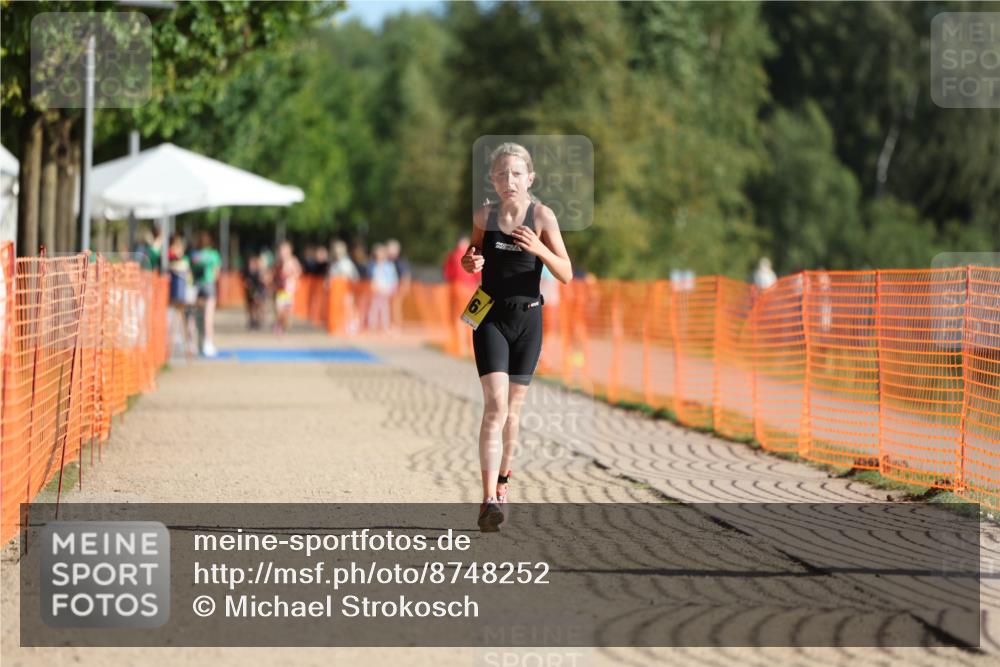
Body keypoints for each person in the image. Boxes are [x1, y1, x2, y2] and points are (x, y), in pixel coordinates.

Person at [462, 142, 572, 531]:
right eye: (502, 173)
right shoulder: (484, 215)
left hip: (528, 321)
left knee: (513, 413)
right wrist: (470, 260)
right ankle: (488, 498)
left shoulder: (542, 215)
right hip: (489, 316)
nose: (509, 180)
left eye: (516, 173)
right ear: (492, 179)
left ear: (530, 178)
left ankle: (503, 482)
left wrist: (539, 247)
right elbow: (471, 256)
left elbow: (566, 272)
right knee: (494, 407)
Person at [191, 231, 222, 357]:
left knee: (193, 316)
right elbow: (216, 273)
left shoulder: (195, 255)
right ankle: (208, 344)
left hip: (196, 286)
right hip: (209, 285)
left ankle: (191, 342)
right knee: (208, 317)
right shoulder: (214, 255)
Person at [167, 234, 197, 360]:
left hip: (184, 294)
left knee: (187, 319)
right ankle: (182, 346)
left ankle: (190, 345)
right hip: (175, 295)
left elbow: (186, 270)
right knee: (175, 320)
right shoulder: (170, 259)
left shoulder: (184, 260)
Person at [367, 243, 398, 332]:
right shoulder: (374, 265)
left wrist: (392, 288)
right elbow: (373, 277)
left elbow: (393, 278)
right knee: (374, 306)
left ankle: (385, 325)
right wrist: (374, 285)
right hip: (377, 289)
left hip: (385, 289)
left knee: (384, 307)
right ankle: (372, 325)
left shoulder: (389, 266)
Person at [272, 240, 302, 335]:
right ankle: (279, 324)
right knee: (279, 310)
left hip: (289, 290)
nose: (283, 253)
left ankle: (283, 326)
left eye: (285, 250)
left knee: (287, 312)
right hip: (281, 290)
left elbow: (298, 272)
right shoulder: (278, 262)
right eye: (281, 251)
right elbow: (274, 274)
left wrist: (291, 275)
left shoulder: (293, 261)